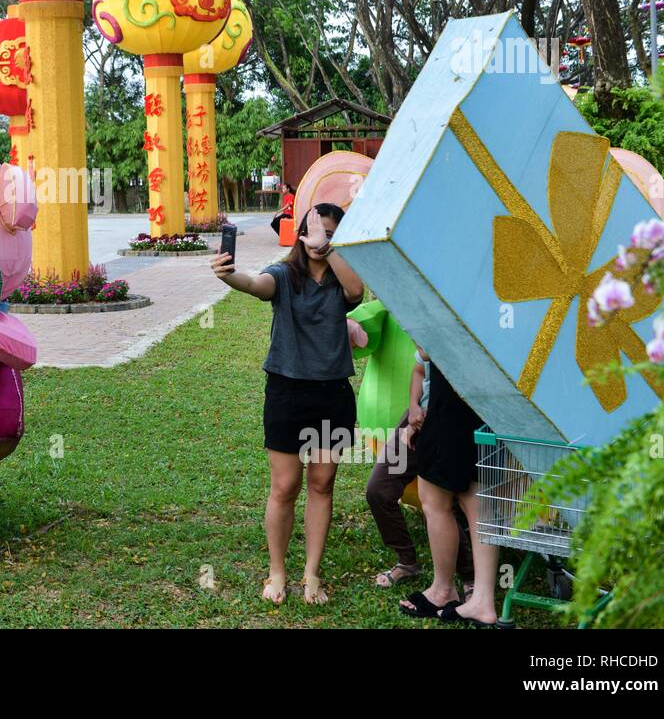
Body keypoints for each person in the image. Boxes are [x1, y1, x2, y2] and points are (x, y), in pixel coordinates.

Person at [212, 203, 364, 605]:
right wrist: (230, 277)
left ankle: (311, 575)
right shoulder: (285, 274)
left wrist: (328, 249)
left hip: (332, 394)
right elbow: (257, 285)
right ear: (300, 234)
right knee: (285, 486)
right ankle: (276, 572)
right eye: (316, 232)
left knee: (322, 483)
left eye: (331, 234)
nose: (321, 241)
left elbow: (356, 292)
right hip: (287, 392)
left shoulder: (341, 279)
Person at [348, 304, 475, 592]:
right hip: (417, 419)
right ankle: (407, 561)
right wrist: (415, 407)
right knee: (378, 489)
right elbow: (420, 368)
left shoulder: (465, 331)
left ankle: (469, 578)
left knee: (447, 501)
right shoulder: (423, 318)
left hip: (451, 422)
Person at [398, 347, 502, 626]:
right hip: (493, 400)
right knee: (479, 501)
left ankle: (442, 590)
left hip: (454, 401)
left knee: (434, 498)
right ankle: (482, 600)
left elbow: (428, 350)